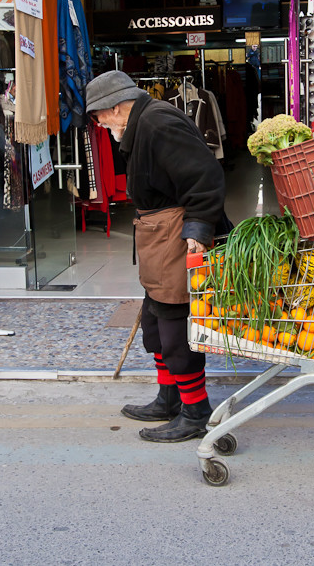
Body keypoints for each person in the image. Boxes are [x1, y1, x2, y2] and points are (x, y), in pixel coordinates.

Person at [86, 71, 226, 443]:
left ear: (116, 107)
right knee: (154, 320)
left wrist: (198, 228)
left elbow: (205, 177)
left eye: (98, 115)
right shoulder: (142, 124)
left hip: (176, 234)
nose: (98, 124)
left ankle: (195, 411)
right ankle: (169, 399)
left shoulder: (158, 123)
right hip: (157, 233)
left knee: (174, 323)